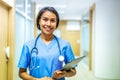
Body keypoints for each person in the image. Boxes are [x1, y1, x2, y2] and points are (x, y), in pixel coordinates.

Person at [18, 6, 76, 80]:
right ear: (39, 21)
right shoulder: (28, 45)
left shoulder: (65, 45)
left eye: (52, 20)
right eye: (45, 19)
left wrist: (64, 74)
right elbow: (21, 73)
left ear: (56, 23)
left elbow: (73, 71)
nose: (48, 24)